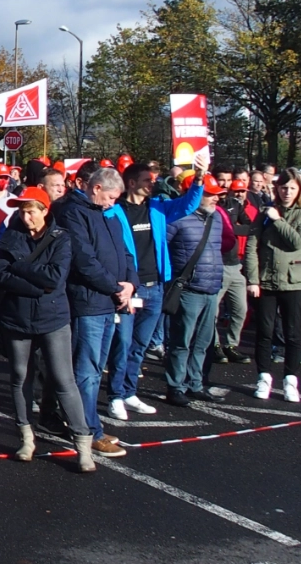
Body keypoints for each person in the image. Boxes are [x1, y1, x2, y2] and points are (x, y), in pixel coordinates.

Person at [0, 187, 94, 472]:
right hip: (17, 318)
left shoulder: (61, 238)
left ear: (45, 210)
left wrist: (20, 267)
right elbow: (0, 274)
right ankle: (26, 436)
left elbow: (55, 278)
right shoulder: (11, 236)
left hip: (53, 318)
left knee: (63, 379)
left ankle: (82, 442)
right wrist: (36, 287)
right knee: (20, 376)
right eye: (22, 211)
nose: (25, 217)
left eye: (31, 211)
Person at [103, 161, 203, 420]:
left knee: (140, 344)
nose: (153, 184)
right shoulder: (114, 211)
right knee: (122, 344)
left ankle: (129, 392)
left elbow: (188, 205)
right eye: (147, 180)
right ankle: (115, 396)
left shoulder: (157, 207)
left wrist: (200, 179)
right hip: (128, 288)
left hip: (156, 287)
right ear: (132, 183)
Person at [54, 166, 135, 459]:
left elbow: (125, 252)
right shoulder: (74, 213)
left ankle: (83, 421)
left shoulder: (107, 215)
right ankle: (88, 429)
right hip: (88, 302)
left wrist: (130, 284)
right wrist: (116, 286)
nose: (113, 203)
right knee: (86, 370)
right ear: (96, 187)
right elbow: (83, 260)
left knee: (97, 366)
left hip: (108, 300)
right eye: (111, 197)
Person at [162, 177, 233, 406]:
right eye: (210, 193)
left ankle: (195, 383)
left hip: (211, 288)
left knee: (203, 341)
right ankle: (175, 386)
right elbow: (163, 249)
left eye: (216, 194)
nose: (216, 198)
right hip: (189, 289)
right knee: (181, 341)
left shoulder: (217, 218)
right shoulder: (177, 218)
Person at [245, 174, 301, 401]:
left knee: (293, 334)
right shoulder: (265, 213)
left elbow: (297, 241)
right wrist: (253, 279)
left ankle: (290, 380)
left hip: (294, 283)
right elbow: (252, 247)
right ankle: (263, 377)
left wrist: (278, 220)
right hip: (267, 281)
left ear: (299, 191)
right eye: (284, 187)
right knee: (264, 333)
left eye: (292, 188)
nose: (287, 192)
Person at [214, 172, 261, 364]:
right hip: (217, 264)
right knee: (213, 311)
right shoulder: (214, 207)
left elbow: (250, 226)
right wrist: (232, 229)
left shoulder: (236, 205)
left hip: (236, 265)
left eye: (242, 190)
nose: (239, 193)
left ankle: (231, 345)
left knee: (240, 310)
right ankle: (215, 345)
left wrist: (233, 229)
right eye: (222, 181)